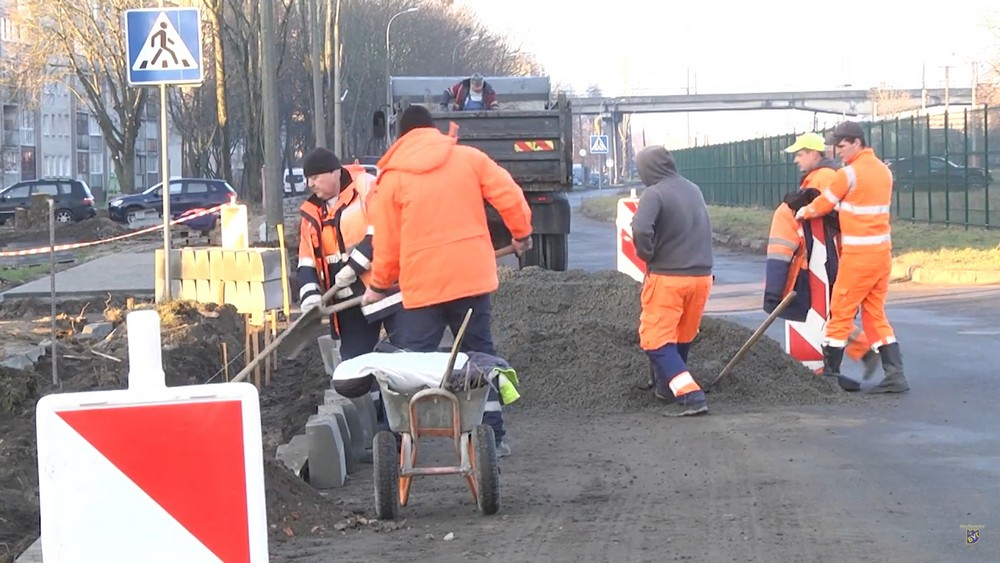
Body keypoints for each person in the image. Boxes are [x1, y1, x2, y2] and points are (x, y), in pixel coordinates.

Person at [362, 104, 533, 456]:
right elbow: (510, 196)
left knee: (413, 364)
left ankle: (405, 442)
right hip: (471, 280)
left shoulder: (392, 179)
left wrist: (378, 286)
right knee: (480, 356)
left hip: (422, 288)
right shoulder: (469, 158)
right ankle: (493, 437)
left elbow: (387, 243)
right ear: (434, 130)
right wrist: (521, 234)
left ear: (400, 137)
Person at [796, 121, 910, 393]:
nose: (838, 152)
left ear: (857, 143)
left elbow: (823, 203)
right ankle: (896, 376)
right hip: (882, 256)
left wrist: (803, 212)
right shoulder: (884, 171)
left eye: (842, 146)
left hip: (859, 257)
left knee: (840, 313)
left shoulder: (848, 174)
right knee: (875, 316)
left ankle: (831, 376)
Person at [765, 132, 879, 392]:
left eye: (799, 154)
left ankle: (827, 370)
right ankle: (862, 352)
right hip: (828, 257)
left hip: (823, 259)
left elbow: (822, 215)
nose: (796, 159)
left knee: (824, 311)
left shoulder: (823, 177)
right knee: (828, 312)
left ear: (813, 153)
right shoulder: (821, 176)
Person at [296, 147, 395, 422]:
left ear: (335, 172)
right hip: (347, 303)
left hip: (385, 290)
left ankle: (398, 429)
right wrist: (311, 296)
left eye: (315, 177)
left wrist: (354, 267)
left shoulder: (366, 188)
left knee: (401, 355)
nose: (310, 184)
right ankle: (376, 425)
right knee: (354, 363)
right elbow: (306, 262)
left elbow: (381, 229)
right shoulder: (311, 213)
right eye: (308, 179)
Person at [630, 145, 714, 416]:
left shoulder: (654, 193)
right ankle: (667, 388)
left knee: (655, 339)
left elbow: (642, 228)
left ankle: (691, 395)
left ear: (647, 169)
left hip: (669, 278)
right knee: (681, 335)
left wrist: (647, 253)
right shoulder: (693, 189)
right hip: (702, 278)